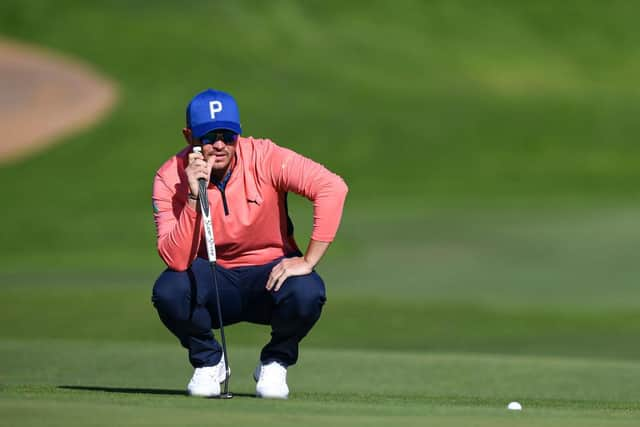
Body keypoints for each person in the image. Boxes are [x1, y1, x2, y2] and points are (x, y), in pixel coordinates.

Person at [151, 88, 348, 399]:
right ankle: (208, 362)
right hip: (213, 278)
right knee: (169, 291)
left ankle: (275, 361)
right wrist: (192, 196)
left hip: (269, 274)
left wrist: (308, 260)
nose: (219, 145)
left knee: (307, 290)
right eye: (209, 136)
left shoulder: (265, 157)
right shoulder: (169, 177)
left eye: (228, 136)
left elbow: (332, 187)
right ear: (189, 136)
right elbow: (175, 260)